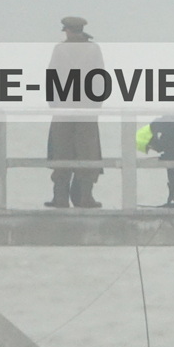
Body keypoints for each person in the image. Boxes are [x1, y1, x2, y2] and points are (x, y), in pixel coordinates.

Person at [46, 16, 105, 209]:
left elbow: (51, 78)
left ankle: (60, 198)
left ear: (68, 31)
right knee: (87, 152)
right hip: (86, 110)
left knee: (61, 151)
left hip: (63, 109)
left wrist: (54, 104)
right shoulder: (94, 49)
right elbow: (100, 81)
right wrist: (96, 105)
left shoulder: (60, 50)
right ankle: (85, 197)